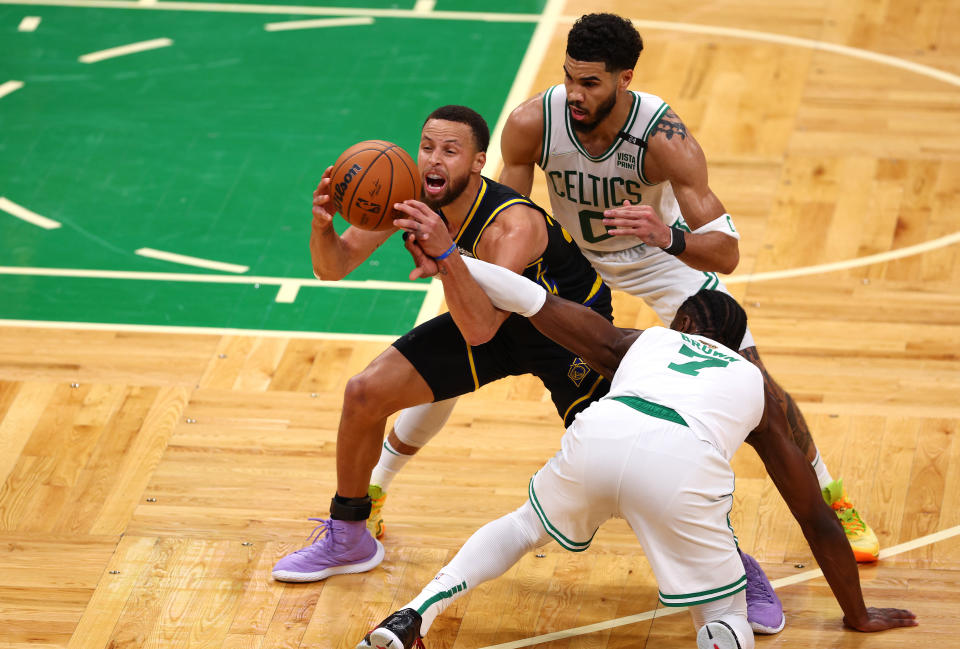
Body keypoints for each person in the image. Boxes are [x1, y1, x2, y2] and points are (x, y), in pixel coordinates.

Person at [356, 256, 917, 649]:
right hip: (683, 465)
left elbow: (533, 300)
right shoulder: (756, 387)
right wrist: (857, 614)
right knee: (724, 614)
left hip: (603, 434)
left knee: (526, 526)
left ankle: (414, 614)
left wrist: (452, 257)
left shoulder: (646, 340)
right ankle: (721, 633)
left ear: (686, 324)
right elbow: (815, 516)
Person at [271, 105, 614, 582]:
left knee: (626, 456)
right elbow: (333, 267)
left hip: (570, 330)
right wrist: (323, 225)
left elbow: (480, 329)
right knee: (364, 393)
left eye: (451, 151)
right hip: (492, 318)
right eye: (427, 147)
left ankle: (729, 565)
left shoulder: (509, 226)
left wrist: (446, 253)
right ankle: (349, 537)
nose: (434, 160)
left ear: (477, 162)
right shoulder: (409, 197)